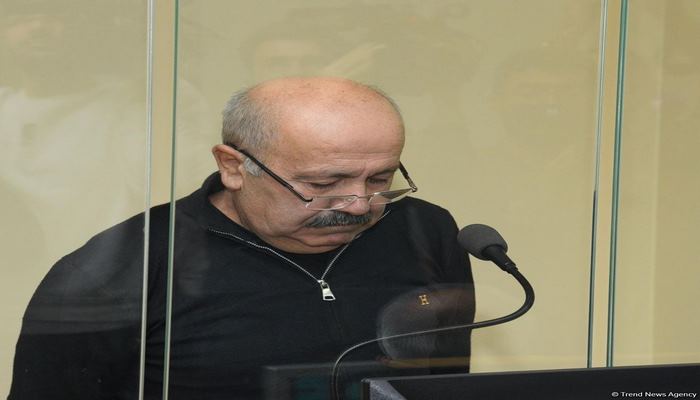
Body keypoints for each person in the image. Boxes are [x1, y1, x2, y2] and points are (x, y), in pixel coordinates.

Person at [9, 77, 475, 400]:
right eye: (322, 183)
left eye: (380, 179)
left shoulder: (423, 231)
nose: (358, 204)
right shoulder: (119, 269)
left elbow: (446, 382)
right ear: (233, 166)